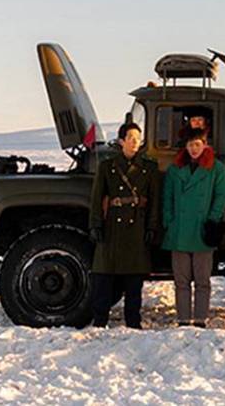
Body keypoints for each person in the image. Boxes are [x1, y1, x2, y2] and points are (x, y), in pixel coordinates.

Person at [87, 122, 162, 329]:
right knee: (103, 276)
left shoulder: (149, 168)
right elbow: (96, 198)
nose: (135, 142)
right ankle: (100, 319)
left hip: (137, 227)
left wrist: (152, 228)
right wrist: (96, 225)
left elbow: (154, 202)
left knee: (134, 280)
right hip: (111, 226)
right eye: (131, 138)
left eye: (138, 138)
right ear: (121, 141)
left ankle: (133, 321)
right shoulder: (107, 166)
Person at [160, 127, 225, 327]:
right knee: (181, 281)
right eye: (190, 145)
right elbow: (168, 197)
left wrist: (212, 219)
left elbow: (222, 195)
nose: (193, 149)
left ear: (205, 145)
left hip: (202, 230)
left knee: (202, 281)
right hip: (179, 231)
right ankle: (183, 319)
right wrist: (169, 220)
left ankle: (200, 319)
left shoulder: (216, 168)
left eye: (197, 144)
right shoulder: (175, 169)